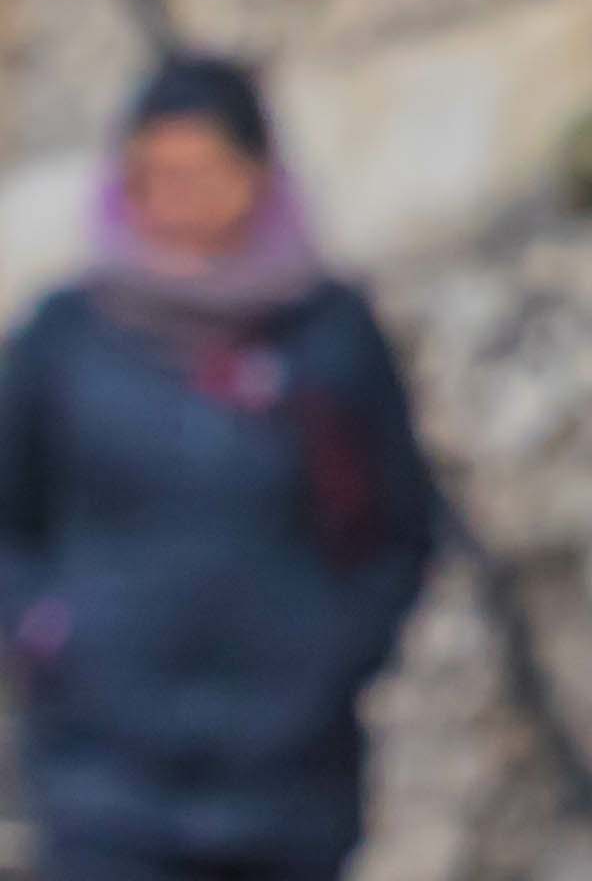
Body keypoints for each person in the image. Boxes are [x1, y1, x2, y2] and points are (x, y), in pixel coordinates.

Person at [0, 59, 432, 881]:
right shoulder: (65, 339)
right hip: (103, 776)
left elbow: (400, 529)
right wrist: (48, 636)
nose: (178, 198)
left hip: (288, 780)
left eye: (202, 173)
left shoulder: (328, 336)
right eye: (157, 176)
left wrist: (335, 656)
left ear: (258, 177)